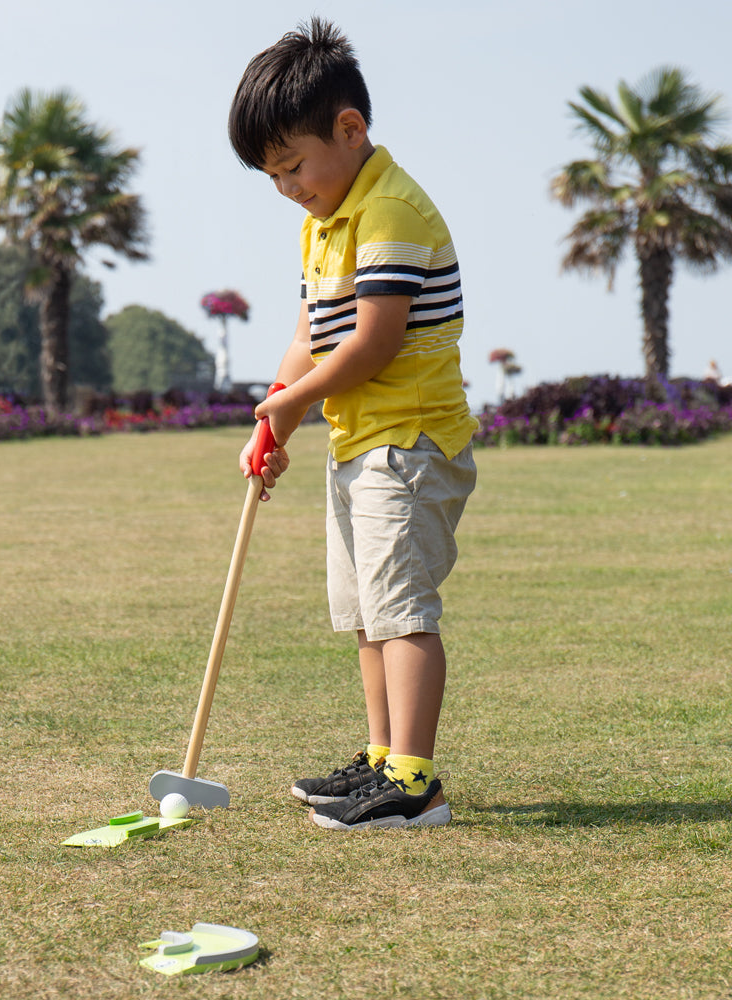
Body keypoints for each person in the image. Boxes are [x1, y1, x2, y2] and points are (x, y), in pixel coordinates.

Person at [228, 18, 478, 830]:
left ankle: (415, 783)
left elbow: (374, 341)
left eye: (293, 165)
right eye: (271, 176)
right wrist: (277, 415)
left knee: (402, 609)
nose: (288, 187)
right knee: (368, 611)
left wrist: (297, 404)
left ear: (350, 128)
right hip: (358, 444)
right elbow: (311, 336)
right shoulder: (323, 224)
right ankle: (380, 758)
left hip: (410, 442)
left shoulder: (392, 210)